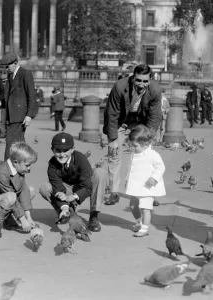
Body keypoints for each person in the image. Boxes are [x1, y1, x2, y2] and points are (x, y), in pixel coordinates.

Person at [103, 63, 162, 205]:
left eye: (145, 81)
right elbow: (112, 114)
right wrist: (113, 139)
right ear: (132, 78)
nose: (141, 84)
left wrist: (148, 139)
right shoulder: (119, 86)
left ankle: (146, 192)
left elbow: (154, 117)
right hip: (121, 122)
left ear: (150, 79)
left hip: (141, 123)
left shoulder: (155, 90)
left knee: (145, 156)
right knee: (114, 154)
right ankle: (113, 192)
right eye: (138, 80)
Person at [39, 132, 107, 232]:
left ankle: (94, 215)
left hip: (83, 187)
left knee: (100, 173)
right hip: (66, 189)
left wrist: (73, 197)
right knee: (44, 187)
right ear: (52, 150)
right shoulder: (52, 165)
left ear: (72, 149)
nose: (62, 154)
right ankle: (66, 212)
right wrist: (65, 206)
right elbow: (58, 188)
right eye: (58, 151)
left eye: (66, 150)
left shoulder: (81, 158)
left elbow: (87, 186)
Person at [0, 142, 38, 238]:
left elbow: (23, 191)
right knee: (11, 196)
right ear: (15, 162)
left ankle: (10, 220)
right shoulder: (2, 172)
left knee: (30, 190)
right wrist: (23, 220)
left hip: (6, 199)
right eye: (27, 165)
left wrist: (28, 217)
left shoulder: (19, 169)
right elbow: (11, 196)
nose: (29, 168)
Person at [126, 125, 166, 237]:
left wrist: (154, 178)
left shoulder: (153, 155)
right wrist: (127, 179)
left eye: (135, 145)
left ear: (146, 144)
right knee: (133, 206)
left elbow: (161, 167)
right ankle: (139, 222)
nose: (133, 148)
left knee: (145, 208)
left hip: (147, 186)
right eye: (132, 145)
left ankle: (145, 228)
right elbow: (131, 168)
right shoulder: (134, 154)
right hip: (135, 185)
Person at [0, 52, 36, 161]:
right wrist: (0, 102)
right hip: (11, 114)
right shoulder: (11, 75)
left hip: (20, 115)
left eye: (7, 66)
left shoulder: (25, 73)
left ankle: (8, 165)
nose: (6, 69)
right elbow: (7, 96)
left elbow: (31, 96)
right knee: (18, 142)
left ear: (15, 63)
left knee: (11, 141)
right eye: (4, 67)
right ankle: (24, 162)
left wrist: (29, 115)